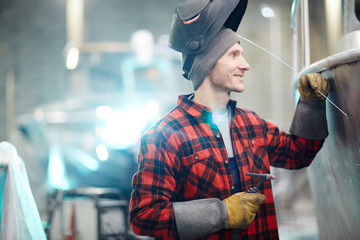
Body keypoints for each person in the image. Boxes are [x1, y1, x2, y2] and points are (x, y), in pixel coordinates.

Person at [129, 0, 331, 239]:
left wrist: (310, 104)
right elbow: (144, 216)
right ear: (208, 62)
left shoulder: (252, 124)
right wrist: (221, 213)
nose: (245, 65)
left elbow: (299, 153)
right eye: (234, 55)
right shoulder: (164, 135)